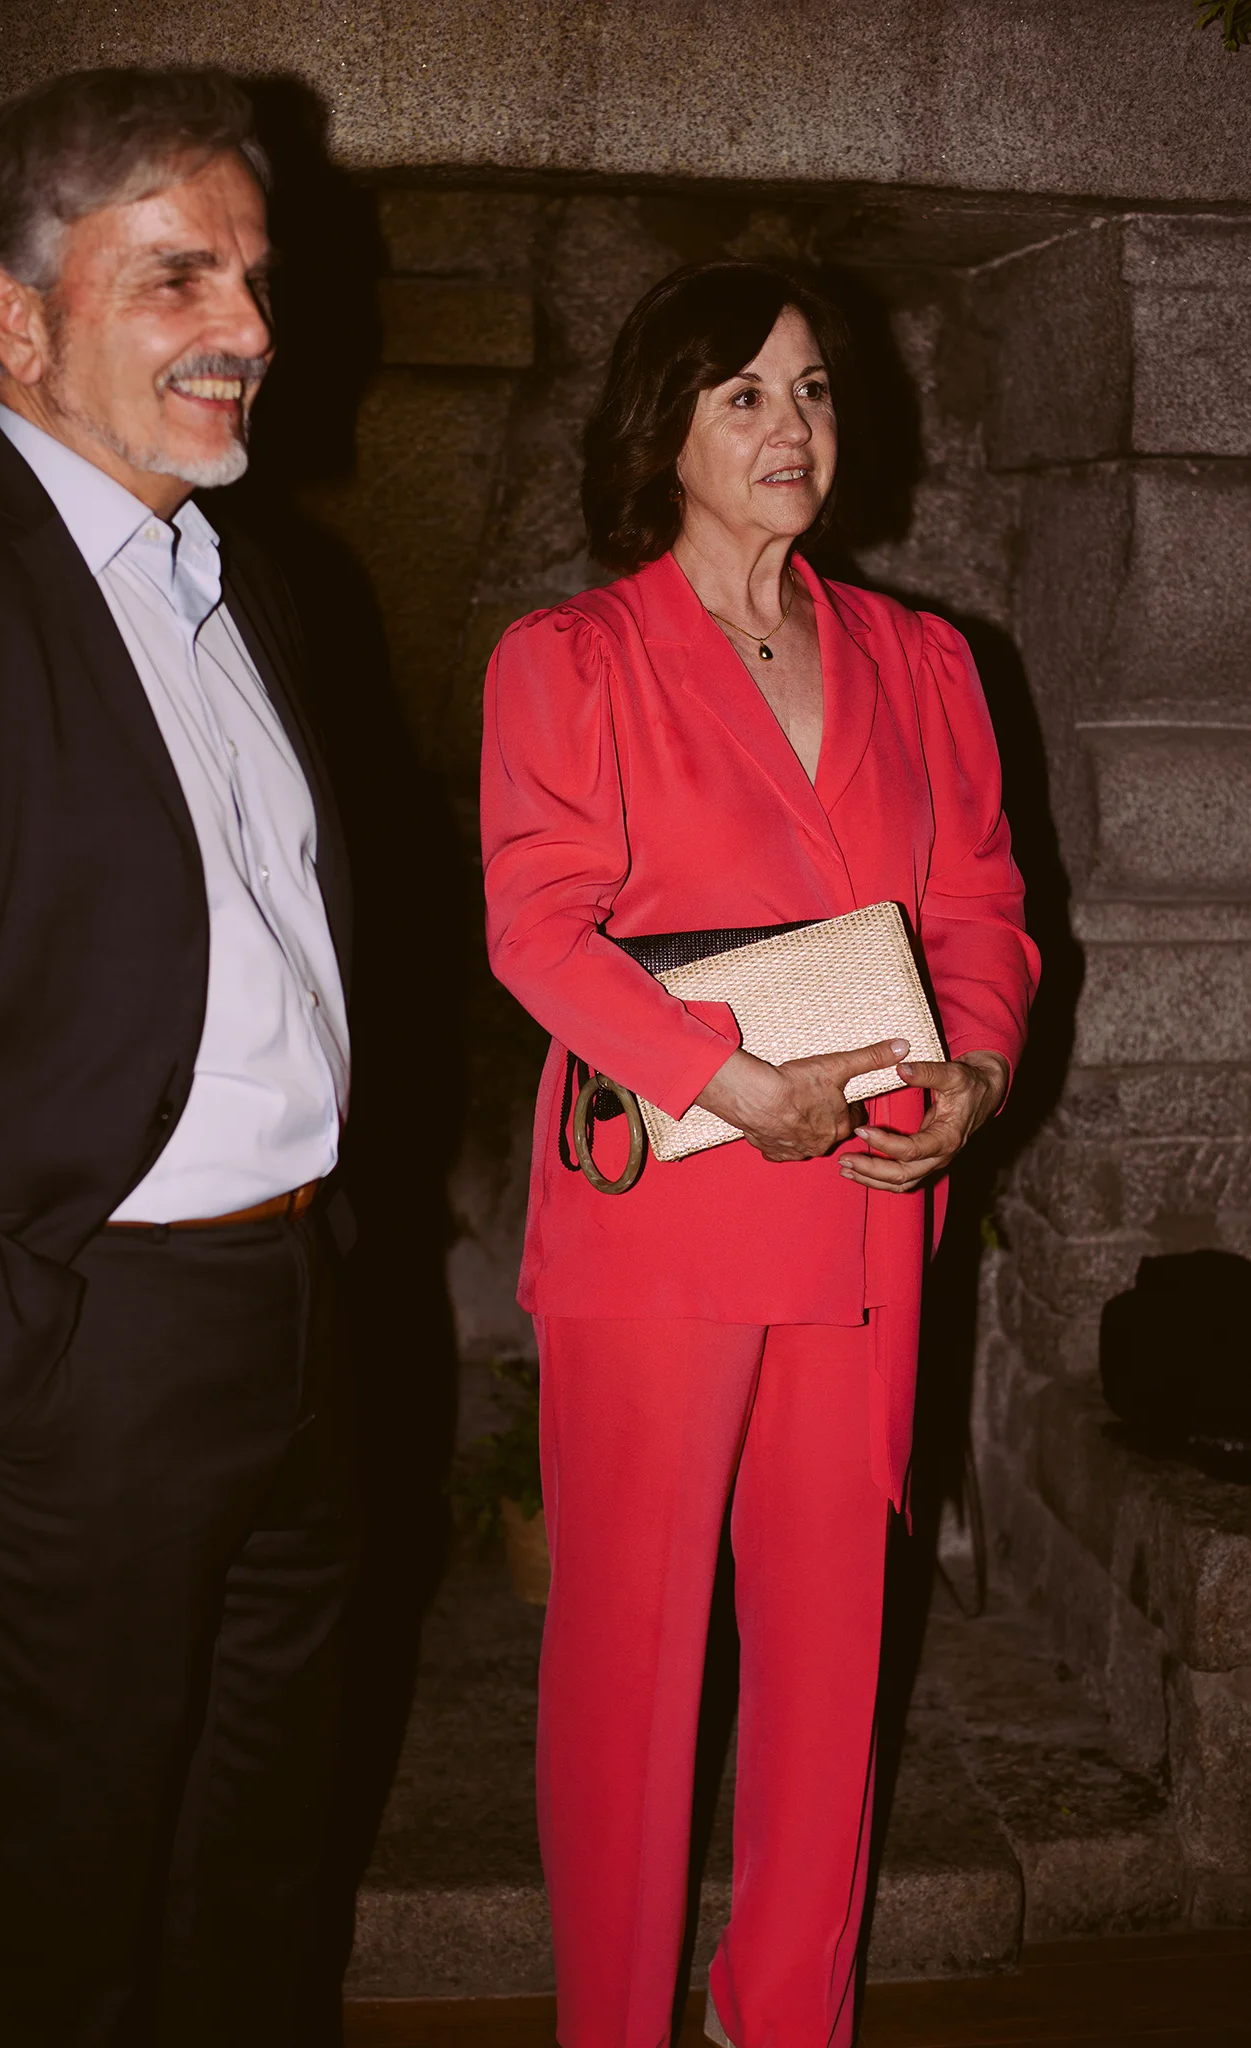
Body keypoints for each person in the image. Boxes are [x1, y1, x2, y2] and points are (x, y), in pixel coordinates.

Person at [481, 261, 1040, 2048]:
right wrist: (726, 1082)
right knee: (633, 1663)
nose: (788, 425)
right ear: (664, 428)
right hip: (664, 1211)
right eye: (742, 393)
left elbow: (981, 908)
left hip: (863, 1209)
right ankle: (615, 2025)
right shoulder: (569, 660)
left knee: (830, 1646)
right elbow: (536, 930)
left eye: (809, 390)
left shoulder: (922, 658)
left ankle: (786, 2014)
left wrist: (979, 1070)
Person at [0, 68, 357, 2044]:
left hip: (293, 1319)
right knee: (55, 1919)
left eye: (254, 276)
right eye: (177, 275)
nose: (247, 326)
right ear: (16, 317)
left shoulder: (245, 583)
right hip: (81, 1350)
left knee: (257, 1879)